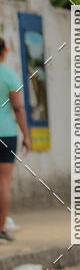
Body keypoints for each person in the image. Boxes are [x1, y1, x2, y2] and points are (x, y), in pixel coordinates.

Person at [0, 38, 31, 242]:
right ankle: (1, 229)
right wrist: (26, 135)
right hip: (6, 134)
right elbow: (18, 108)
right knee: (3, 182)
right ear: (4, 51)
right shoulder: (9, 75)